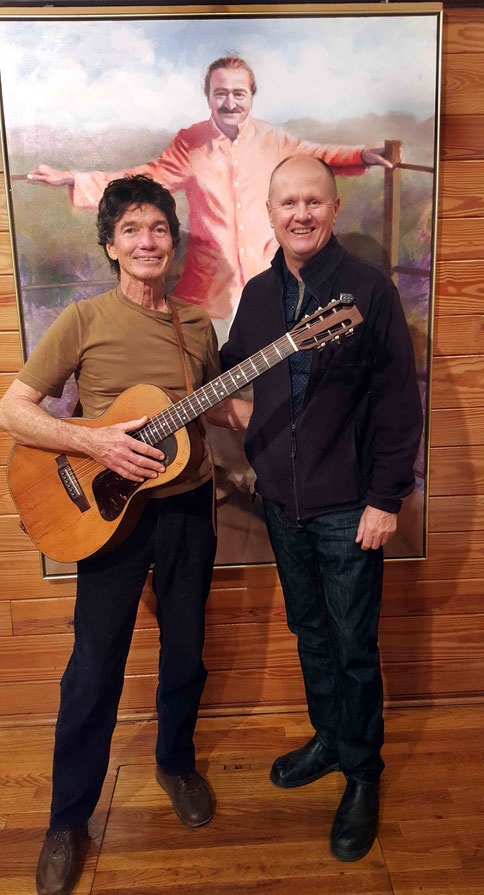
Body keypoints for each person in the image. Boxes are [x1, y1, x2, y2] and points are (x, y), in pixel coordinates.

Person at [0, 174, 248, 895]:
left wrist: (289, 397)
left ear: (173, 242)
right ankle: (67, 819)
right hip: (105, 519)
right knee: (93, 669)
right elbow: (14, 409)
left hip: (186, 512)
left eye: (159, 228)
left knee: (186, 652)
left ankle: (175, 761)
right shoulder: (83, 320)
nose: (147, 241)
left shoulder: (196, 325)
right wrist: (98, 442)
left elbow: (219, 412)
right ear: (110, 244)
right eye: (132, 229)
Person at [220, 155, 423, 862]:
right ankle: (331, 739)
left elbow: (401, 403)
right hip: (282, 502)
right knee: (309, 631)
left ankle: (365, 772)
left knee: (353, 646)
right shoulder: (254, 296)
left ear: (334, 209)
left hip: (350, 507)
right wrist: (251, 429)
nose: (300, 214)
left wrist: (385, 497)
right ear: (269, 213)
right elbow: (229, 370)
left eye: (313, 201)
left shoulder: (368, 291)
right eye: (288, 203)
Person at [28, 55, 396, 323]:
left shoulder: (273, 139)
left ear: (252, 97)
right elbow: (147, 175)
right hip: (208, 293)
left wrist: (362, 154)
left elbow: (318, 156)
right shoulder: (191, 142)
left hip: (269, 284)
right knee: (213, 388)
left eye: (239, 93)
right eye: (221, 93)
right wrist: (75, 179)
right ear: (209, 97)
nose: (230, 102)